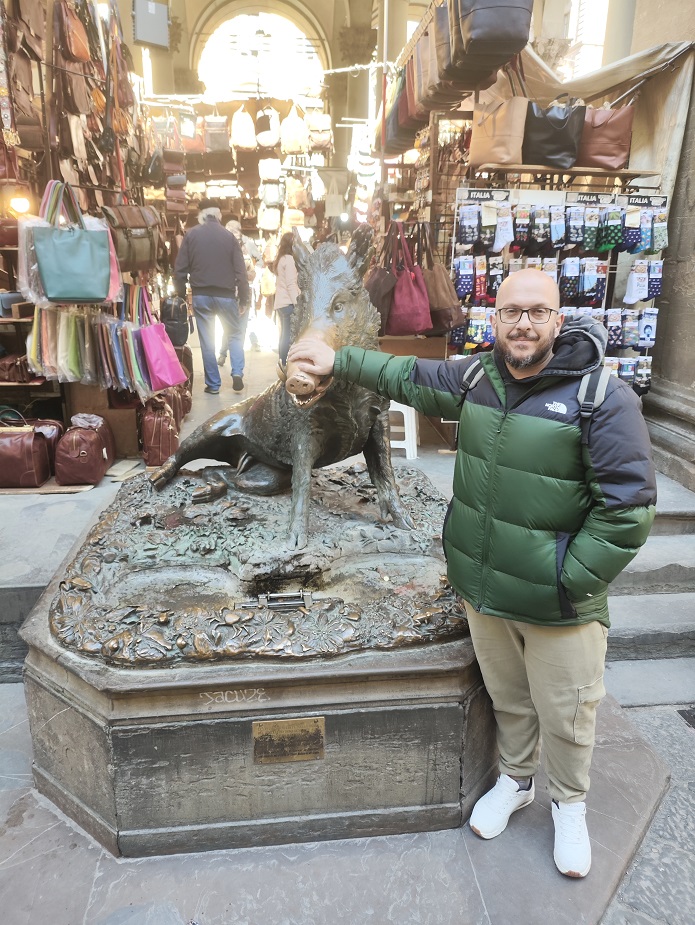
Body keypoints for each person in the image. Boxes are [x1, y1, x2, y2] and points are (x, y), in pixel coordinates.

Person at [287, 267, 656, 879]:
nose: (523, 324)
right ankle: (516, 781)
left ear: (557, 320)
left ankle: (570, 805)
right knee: (509, 698)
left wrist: (568, 578)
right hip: (484, 590)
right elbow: (406, 374)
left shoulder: (601, 397)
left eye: (537, 312)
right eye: (511, 312)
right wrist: (337, 359)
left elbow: (628, 509)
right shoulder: (479, 377)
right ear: (495, 318)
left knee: (567, 711)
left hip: (559, 602)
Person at [174, 199, 250, 394]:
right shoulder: (229, 237)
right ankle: (237, 372)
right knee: (234, 334)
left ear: (201, 215)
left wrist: (181, 295)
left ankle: (214, 385)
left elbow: (179, 270)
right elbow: (241, 272)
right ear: (219, 215)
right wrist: (244, 298)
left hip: (201, 295)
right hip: (226, 296)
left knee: (207, 341)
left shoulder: (191, 235)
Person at [217, 219, 262, 362]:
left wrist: (246, 275)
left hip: (241, 291)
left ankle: (231, 356)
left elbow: (256, 266)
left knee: (239, 327)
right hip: (230, 293)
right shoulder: (223, 246)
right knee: (231, 326)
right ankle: (225, 354)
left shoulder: (247, 245)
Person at [272, 232, 300, 365]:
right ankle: (284, 363)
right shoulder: (289, 260)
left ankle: (282, 362)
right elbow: (291, 284)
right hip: (288, 303)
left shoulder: (281, 259)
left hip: (281, 302)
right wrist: (297, 303)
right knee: (288, 336)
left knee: (284, 335)